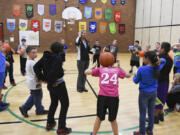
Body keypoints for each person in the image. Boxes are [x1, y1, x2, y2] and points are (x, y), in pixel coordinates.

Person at [34, 42, 71, 135]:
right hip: (58, 84)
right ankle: (61, 128)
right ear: (59, 50)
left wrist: (43, 78)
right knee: (65, 104)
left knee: (54, 103)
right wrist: (49, 81)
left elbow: (36, 67)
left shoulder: (46, 56)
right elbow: (54, 72)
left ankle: (50, 122)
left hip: (51, 86)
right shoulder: (57, 58)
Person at [85, 60, 130, 135]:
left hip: (102, 97)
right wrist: (120, 67)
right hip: (114, 97)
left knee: (99, 118)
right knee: (113, 119)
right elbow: (128, 75)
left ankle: (94, 133)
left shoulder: (100, 70)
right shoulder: (117, 70)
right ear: (113, 62)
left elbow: (86, 72)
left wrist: (93, 66)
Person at [133, 51, 166, 135]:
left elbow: (136, 81)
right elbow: (164, 60)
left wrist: (134, 76)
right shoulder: (157, 67)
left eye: (144, 57)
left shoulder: (141, 69)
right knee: (151, 113)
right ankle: (150, 130)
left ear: (147, 59)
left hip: (144, 94)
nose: (142, 58)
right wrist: (159, 60)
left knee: (143, 113)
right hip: (153, 93)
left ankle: (142, 132)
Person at [19, 46, 48, 117]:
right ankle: (26, 108)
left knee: (35, 96)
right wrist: (43, 79)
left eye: (36, 52)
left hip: (32, 82)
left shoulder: (30, 61)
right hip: (34, 82)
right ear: (28, 54)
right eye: (33, 53)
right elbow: (37, 74)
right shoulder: (32, 63)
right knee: (37, 96)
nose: (35, 54)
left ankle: (38, 109)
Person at [154, 42, 173, 124]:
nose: (159, 49)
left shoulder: (161, 57)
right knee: (162, 99)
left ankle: (155, 118)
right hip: (166, 81)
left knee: (157, 99)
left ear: (163, 49)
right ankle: (161, 115)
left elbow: (154, 66)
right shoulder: (170, 58)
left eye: (160, 48)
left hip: (159, 81)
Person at [0, 45, 10, 112]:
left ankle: (0, 102)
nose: (1, 46)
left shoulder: (2, 54)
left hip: (2, 72)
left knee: (0, 88)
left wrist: (5, 62)